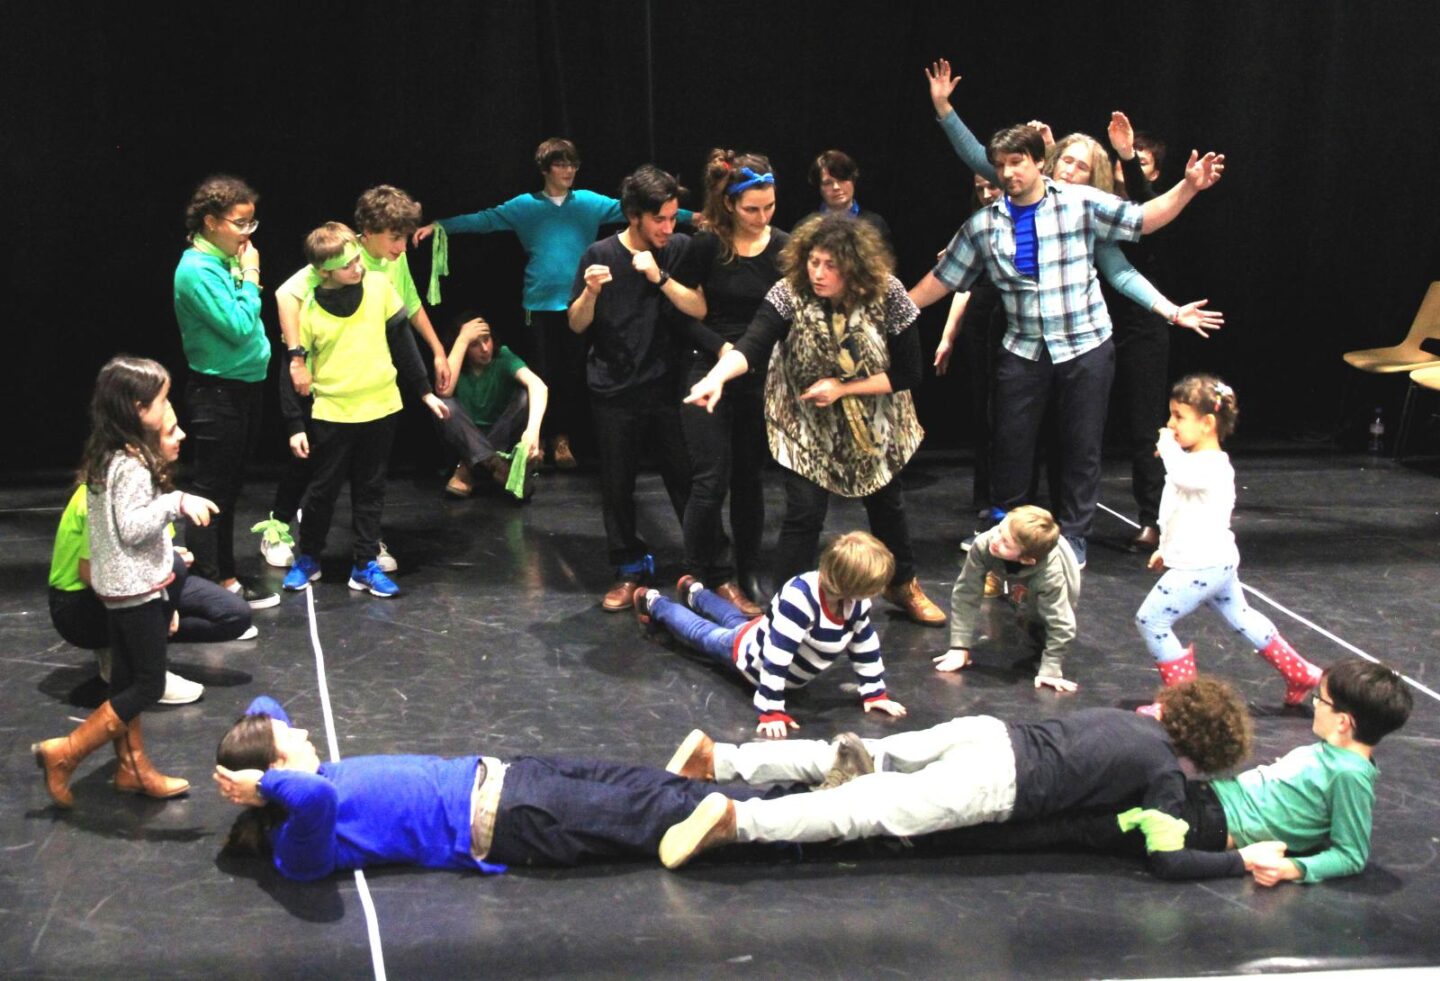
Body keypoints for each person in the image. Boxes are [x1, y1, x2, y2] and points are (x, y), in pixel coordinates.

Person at [916, 60, 1225, 568]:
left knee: (1080, 449)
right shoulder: (988, 219)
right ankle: (1006, 532)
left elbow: (1137, 238)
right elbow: (943, 277)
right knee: (1011, 445)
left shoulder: (1083, 206)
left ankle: (1072, 538)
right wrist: (945, 108)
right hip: (1023, 345)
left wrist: (1189, 190)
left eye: (1023, 162)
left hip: (1085, 343)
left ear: (1042, 162)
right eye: (1004, 165)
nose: (1011, 172)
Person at [656, 675, 1252, 869]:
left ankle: (723, 758)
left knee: (862, 753)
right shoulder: (1163, 769)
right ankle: (739, 818)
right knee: (864, 810)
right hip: (999, 784)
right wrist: (1238, 861)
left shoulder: (1127, 719)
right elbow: (1168, 855)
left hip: (989, 734)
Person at [933, 659, 1414, 886]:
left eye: (1321, 701)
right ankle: (950, 810)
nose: (1314, 704)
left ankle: (940, 835)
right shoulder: (1331, 754)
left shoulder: (1351, 775)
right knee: (1072, 798)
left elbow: (1352, 853)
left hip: (1203, 825)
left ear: (1345, 722)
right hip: (1200, 801)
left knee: (1067, 825)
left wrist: (1294, 867)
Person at [212, 695, 797, 880]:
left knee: (652, 785)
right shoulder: (298, 841)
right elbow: (310, 797)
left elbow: (265, 707)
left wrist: (260, 762)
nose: (307, 731)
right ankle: (804, 818)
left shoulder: (298, 783)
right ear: (275, 779)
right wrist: (263, 783)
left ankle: (793, 795)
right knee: (659, 809)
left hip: (513, 778)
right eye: (292, 742)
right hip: (515, 819)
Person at [686, 213, 945, 627]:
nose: (819, 273)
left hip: (874, 415)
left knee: (886, 502)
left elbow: (908, 373)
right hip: (806, 419)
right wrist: (715, 378)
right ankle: (786, 608)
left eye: (831, 265)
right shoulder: (789, 293)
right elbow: (751, 345)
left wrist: (843, 388)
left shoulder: (889, 294)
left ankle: (903, 583)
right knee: (804, 512)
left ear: (854, 266)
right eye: (813, 262)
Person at [418, 139, 692, 469]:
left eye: (573, 165)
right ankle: (539, 438)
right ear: (546, 169)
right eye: (561, 165)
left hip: (579, 303)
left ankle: (563, 439)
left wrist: (696, 218)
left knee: (572, 376)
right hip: (539, 305)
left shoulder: (588, 202)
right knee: (541, 375)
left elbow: (646, 209)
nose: (568, 171)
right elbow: (485, 219)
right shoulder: (525, 206)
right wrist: (440, 226)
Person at [33, 357, 220, 808]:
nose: (169, 407)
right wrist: (175, 501)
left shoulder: (108, 455)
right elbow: (132, 528)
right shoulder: (131, 465)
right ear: (138, 409)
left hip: (117, 587)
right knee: (148, 684)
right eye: (161, 400)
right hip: (134, 591)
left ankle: (131, 769)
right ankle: (67, 752)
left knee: (123, 682)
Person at [267, 185, 452, 573]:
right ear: (366, 234)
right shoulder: (339, 256)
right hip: (320, 376)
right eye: (394, 237)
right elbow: (286, 294)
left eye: (404, 236)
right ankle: (278, 525)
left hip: (366, 383)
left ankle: (366, 543)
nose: (402, 246)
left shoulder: (388, 264)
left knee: (368, 476)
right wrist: (296, 358)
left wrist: (436, 350)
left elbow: (409, 306)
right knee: (309, 463)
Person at [1134, 375, 1323, 709]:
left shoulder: (1211, 467)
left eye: (1178, 416)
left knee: (1152, 620)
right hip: (1213, 561)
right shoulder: (1192, 462)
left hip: (1203, 566)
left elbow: (1181, 477)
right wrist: (1165, 548)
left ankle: (1184, 705)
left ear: (1207, 423)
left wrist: (1166, 445)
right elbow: (1175, 511)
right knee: (1242, 616)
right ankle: (1301, 673)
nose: (1169, 424)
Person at [48, 403, 255, 705]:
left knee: (235, 616)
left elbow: (150, 545)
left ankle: (136, 647)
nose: (183, 435)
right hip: (79, 603)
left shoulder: (151, 486)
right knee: (174, 569)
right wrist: (154, 606)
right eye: (172, 431)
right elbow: (89, 571)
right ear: (143, 447)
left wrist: (165, 589)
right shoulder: (104, 492)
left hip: (142, 580)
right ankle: (138, 662)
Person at [568, 164, 704, 611]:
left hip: (667, 388)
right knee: (617, 485)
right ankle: (628, 567)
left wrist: (659, 277)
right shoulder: (599, 253)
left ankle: (702, 565)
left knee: (684, 479)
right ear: (634, 216)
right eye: (659, 219)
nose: (668, 227)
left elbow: (698, 308)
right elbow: (576, 324)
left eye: (672, 217)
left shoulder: (679, 250)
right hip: (614, 390)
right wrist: (589, 294)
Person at [635, 530, 908, 738]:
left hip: (762, 630)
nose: (879, 592)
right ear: (849, 584)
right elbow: (776, 659)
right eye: (874, 586)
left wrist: (874, 692)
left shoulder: (856, 602)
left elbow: (864, 644)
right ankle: (654, 602)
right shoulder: (800, 600)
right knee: (703, 633)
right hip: (750, 655)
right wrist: (771, 708)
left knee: (735, 619)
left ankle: (695, 593)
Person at [676, 150, 791, 614]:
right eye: (751, 209)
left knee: (750, 479)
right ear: (729, 204)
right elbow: (680, 316)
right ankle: (705, 572)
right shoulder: (705, 246)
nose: (761, 218)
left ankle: (747, 571)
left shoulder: (784, 247)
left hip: (759, 375)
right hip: (707, 367)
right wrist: (720, 347)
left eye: (769, 207)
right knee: (710, 479)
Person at [172, 175, 278, 609]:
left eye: (251, 223)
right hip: (217, 394)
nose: (248, 234)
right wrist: (251, 276)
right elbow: (236, 327)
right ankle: (209, 584)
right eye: (240, 224)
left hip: (243, 389)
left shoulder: (222, 259)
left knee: (228, 489)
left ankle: (225, 576)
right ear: (212, 222)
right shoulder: (196, 270)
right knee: (211, 491)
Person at [933, 173, 1007, 551]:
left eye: (990, 185)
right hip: (981, 320)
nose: (986, 193)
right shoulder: (976, 226)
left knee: (1005, 411)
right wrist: (948, 337)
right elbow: (961, 286)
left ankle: (1006, 499)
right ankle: (987, 497)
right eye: (979, 187)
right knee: (984, 410)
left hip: (1011, 320)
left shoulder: (1015, 222)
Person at [933, 505, 1081, 691]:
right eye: (1000, 529)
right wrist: (959, 646)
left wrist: (1050, 669)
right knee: (1018, 601)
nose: (995, 540)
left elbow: (1062, 624)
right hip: (1018, 565)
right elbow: (966, 593)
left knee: (1040, 619)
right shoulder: (987, 541)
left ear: (1027, 560)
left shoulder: (1051, 576)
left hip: (1053, 574)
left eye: (1006, 543)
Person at [436, 313, 547, 498]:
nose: (485, 348)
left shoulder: (502, 357)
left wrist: (533, 431)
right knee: (443, 404)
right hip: (465, 442)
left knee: (524, 397)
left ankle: (468, 470)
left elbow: (538, 386)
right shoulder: (455, 363)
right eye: (474, 344)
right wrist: (462, 340)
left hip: (501, 437)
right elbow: (444, 391)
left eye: (486, 339)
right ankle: (498, 467)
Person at [806, 149, 893, 253]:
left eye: (842, 179)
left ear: (853, 180)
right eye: (828, 183)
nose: (836, 187)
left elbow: (885, 267)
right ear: (819, 187)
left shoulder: (875, 224)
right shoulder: (805, 227)